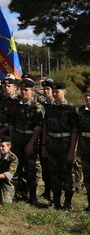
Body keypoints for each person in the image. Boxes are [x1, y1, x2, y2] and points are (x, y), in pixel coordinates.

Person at [42, 82, 79, 210]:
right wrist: (43, 145)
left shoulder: (70, 109)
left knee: (67, 173)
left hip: (65, 143)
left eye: (57, 91)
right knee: (54, 173)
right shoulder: (50, 108)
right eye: (53, 91)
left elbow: (74, 131)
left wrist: (72, 150)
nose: (54, 93)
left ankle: (68, 202)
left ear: (64, 92)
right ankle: (56, 201)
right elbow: (45, 127)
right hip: (52, 142)